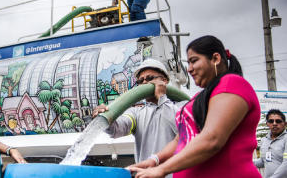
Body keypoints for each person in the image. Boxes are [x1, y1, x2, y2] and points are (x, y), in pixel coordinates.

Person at [128, 35, 261, 178]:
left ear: (215, 59)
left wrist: (163, 169)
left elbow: (212, 139)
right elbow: (181, 139)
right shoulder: (200, 98)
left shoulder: (232, 84)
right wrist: (155, 160)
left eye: (194, 61)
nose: (190, 69)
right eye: (189, 63)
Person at [92, 58, 183, 177]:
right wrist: (104, 118)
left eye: (150, 78)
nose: (145, 83)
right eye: (141, 81)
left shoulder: (182, 106)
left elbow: (180, 129)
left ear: (164, 80)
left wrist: (161, 97)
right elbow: (116, 130)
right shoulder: (137, 113)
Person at [254, 109, 287, 178]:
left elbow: (286, 163)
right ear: (267, 124)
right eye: (271, 121)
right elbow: (263, 162)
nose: (274, 123)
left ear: (285, 124)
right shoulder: (264, 140)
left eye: (278, 121)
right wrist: (245, 162)